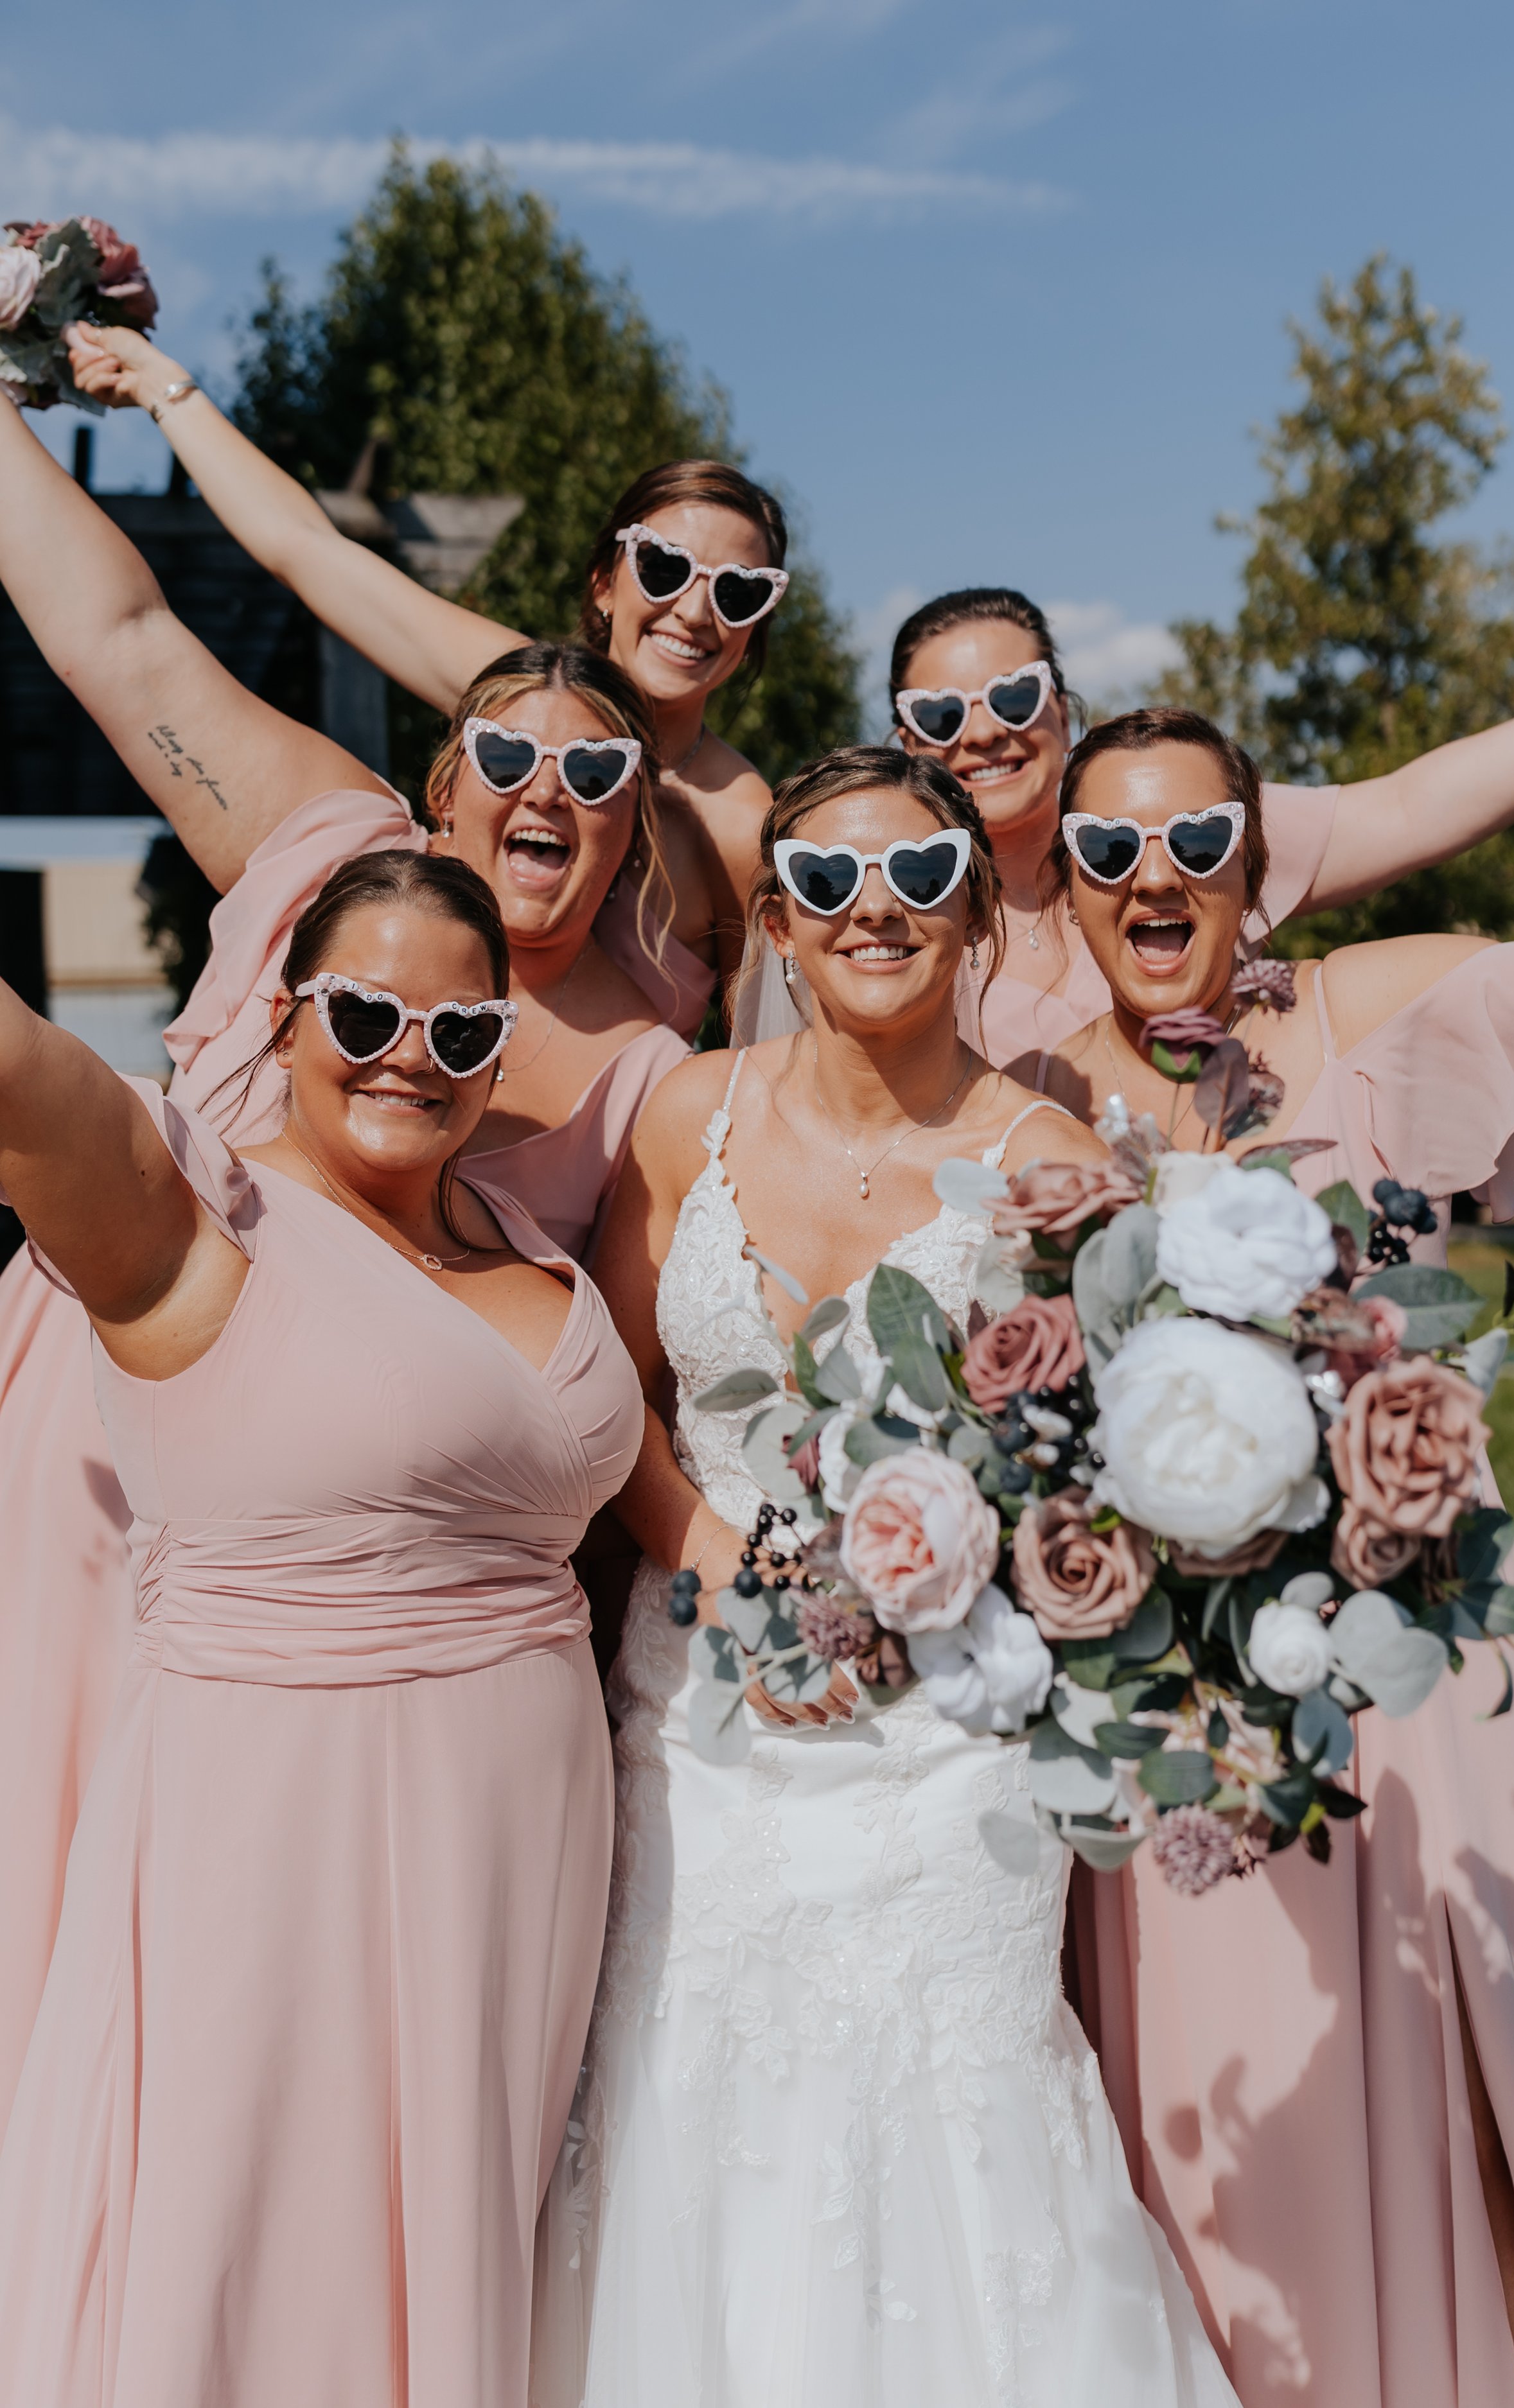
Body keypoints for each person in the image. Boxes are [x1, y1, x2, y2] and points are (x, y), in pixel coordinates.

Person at [0, 394, 684, 2138]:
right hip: (91, 1422)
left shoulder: (643, 1066)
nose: (548, 784)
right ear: (443, 782)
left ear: (629, 827)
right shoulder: (315, 830)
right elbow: (118, 627)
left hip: (354, 1548)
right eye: (506, 751)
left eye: (597, 767)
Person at [530, 745, 1241, 2407]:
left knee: (961, 2111)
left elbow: (1100, 1474)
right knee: (693, 2106)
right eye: (831, 879)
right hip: (697, 1725)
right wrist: (707, 1553)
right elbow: (612, 1393)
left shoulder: (1058, 1160)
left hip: (945, 1755)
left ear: (978, 910)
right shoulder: (687, 1108)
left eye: (919, 875)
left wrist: (953, 1584)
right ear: (776, 916)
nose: (877, 909)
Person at [0, 847, 643, 2405]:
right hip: (278, 1851)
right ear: (281, 1022)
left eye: (460, 1027)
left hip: (512, 1879)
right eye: (362, 1012)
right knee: (259, 2230)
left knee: (455, 2237)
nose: (409, 1053)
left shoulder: (521, 1223)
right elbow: (27, 1080)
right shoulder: (193, 1226)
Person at [1043, 706, 1514, 2408]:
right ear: (1064, 887)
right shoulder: (1027, 1101)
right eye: (1109, 846)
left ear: (1253, 869)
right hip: (1177, 1713)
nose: (1156, 872)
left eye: (1198, 840)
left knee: (1478, 2107)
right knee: (1231, 2136)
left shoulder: (1366, 1029)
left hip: (1413, 1685)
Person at [67, 320, 795, 1024]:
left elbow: (783, 1062)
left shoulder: (738, 827)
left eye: (738, 591)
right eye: (664, 568)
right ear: (606, 581)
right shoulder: (511, 694)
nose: (697, 612)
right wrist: (164, 387)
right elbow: (306, 549)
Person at [887, 588, 1514, 1074]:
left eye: (1014, 698)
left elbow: (1408, 809)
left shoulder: (1200, 831)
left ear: (1063, 713)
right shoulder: (886, 919)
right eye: (942, 715)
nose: (982, 732)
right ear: (905, 742)